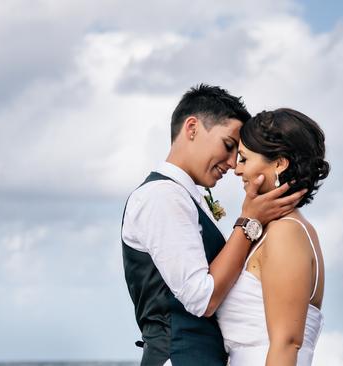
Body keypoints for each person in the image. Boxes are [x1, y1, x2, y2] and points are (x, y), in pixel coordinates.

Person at [121, 85, 307, 366]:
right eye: (228, 146)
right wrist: (248, 222)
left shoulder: (183, 197)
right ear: (192, 128)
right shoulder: (161, 196)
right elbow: (201, 298)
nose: (233, 164)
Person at [216, 108, 330, 366]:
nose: (235, 168)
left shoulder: (286, 233)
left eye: (244, 159)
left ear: (279, 163)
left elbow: (286, 344)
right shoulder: (271, 230)